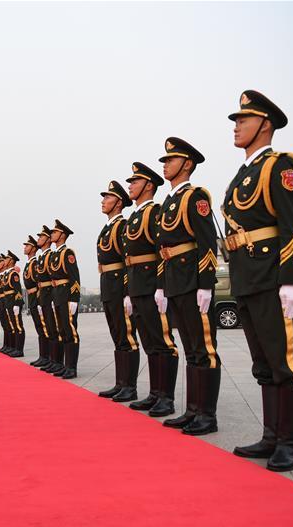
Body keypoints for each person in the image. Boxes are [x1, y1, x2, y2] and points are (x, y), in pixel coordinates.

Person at [225, 90, 293, 472]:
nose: (236, 126)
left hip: (273, 276)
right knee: (264, 363)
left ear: (265, 123)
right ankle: (271, 436)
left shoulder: (280, 166)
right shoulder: (243, 173)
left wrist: (291, 280)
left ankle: (289, 445)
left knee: (286, 362)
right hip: (247, 278)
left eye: (243, 119)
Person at [156, 137, 222, 435]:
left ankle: (207, 415)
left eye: (171, 160)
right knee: (190, 349)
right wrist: (162, 285)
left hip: (192, 280)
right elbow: (163, 249)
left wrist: (206, 284)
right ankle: (192, 410)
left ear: (187, 164)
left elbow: (208, 243)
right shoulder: (169, 201)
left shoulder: (196, 196)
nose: (166, 164)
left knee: (203, 348)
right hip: (175, 280)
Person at [121, 162, 180, 414]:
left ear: (149, 185)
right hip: (136, 283)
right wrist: (127, 290)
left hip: (151, 283)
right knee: (149, 341)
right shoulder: (135, 215)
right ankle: (155, 393)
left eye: (135, 182)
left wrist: (160, 286)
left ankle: (166, 397)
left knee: (163, 340)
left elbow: (160, 251)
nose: (130, 186)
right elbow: (128, 257)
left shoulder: (154, 211)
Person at [97, 181, 140, 400]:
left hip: (118, 284)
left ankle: (130, 386)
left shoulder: (122, 225)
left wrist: (126, 291)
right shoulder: (108, 228)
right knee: (117, 336)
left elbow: (127, 260)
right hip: (108, 284)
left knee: (127, 336)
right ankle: (121, 382)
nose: (103, 201)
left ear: (119, 203)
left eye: (108, 197)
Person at [47, 220, 80, 379]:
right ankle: (65, 365)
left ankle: (71, 367)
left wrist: (74, 298)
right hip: (57, 294)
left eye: (54, 232)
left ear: (62, 235)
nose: (52, 234)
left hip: (67, 294)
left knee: (70, 330)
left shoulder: (67, 253)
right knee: (62, 331)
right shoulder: (54, 254)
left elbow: (74, 276)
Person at [35, 225, 63, 373]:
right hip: (44, 295)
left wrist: (73, 297)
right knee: (49, 330)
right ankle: (51, 360)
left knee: (55, 329)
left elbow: (71, 276)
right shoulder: (43, 257)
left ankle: (57, 362)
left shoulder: (53, 255)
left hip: (53, 294)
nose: (38, 239)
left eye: (41, 236)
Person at [22, 236, 45, 365]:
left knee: (43, 328)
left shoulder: (35, 263)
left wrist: (40, 300)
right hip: (32, 297)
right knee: (38, 327)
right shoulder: (29, 264)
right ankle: (43, 356)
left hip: (37, 297)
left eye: (27, 246)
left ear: (33, 248)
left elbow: (39, 283)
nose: (25, 248)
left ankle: (46, 357)